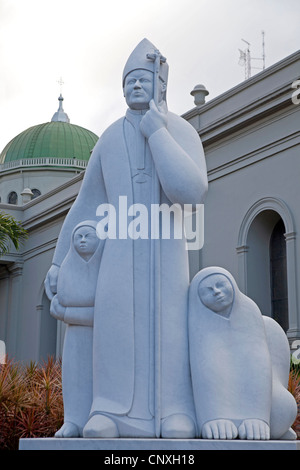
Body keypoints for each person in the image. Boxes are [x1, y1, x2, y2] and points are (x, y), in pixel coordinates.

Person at [45, 38, 208, 438]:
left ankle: (173, 412)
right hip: (117, 256)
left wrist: (158, 134)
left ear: (161, 86)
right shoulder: (109, 140)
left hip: (166, 252)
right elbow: (86, 205)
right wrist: (56, 259)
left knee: (169, 327)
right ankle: (110, 411)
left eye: (143, 80)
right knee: (115, 329)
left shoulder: (181, 131)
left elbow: (190, 190)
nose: (136, 86)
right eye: (129, 81)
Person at [188, 266, 297, 440]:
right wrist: (213, 418)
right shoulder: (198, 328)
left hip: (259, 406)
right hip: (214, 409)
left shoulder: (250, 314)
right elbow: (207, 375)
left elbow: (257, 369)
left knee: (282, 410)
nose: (217, 292)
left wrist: (258, 417)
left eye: (221, 285)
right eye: (208, 290)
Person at [49, 221, 104, 437]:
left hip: (104, 338)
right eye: (78, 236)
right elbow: (59, 303)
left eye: (87, 236)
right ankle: (72, 420)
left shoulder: (107, 268)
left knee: (101, 379)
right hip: (75, 338)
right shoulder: (68, 268)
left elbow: (106, 310)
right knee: (74, 378)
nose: (81, 240)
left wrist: (68, 313)